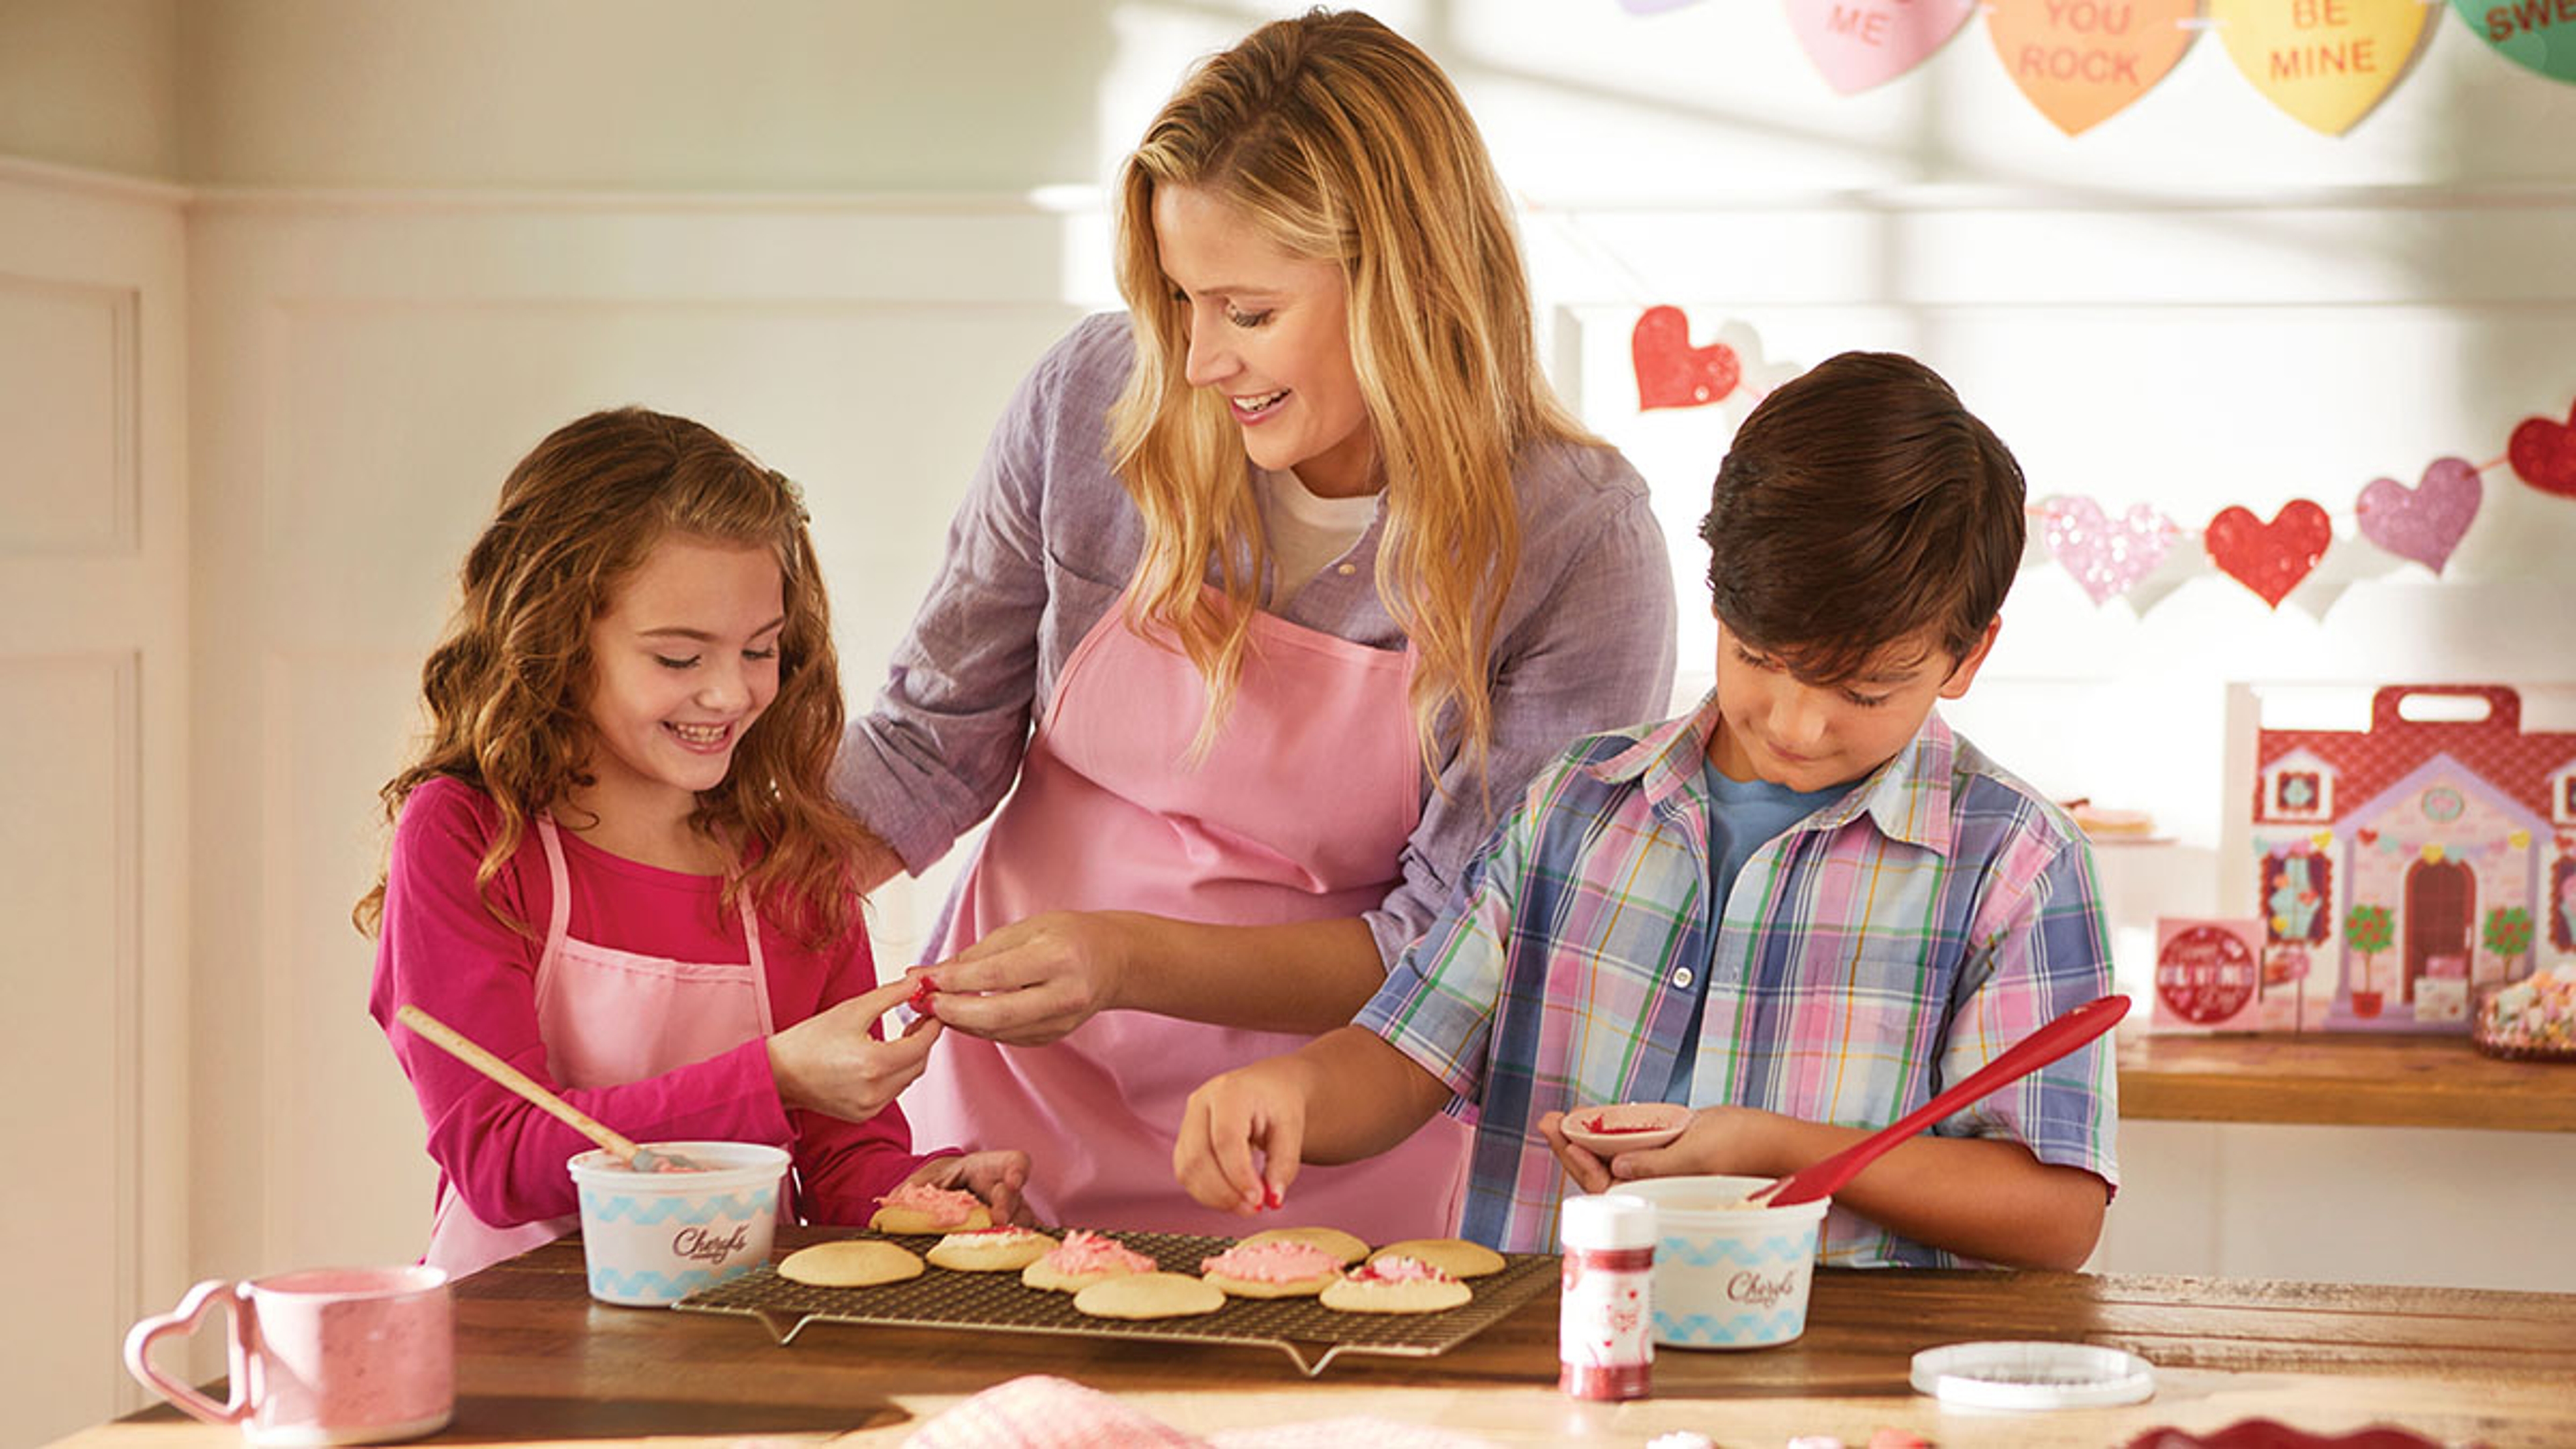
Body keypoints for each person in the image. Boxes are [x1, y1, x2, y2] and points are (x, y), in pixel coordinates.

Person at [835, 9, 1676, 1238]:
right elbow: (926, 743)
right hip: (1014, 1117)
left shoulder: (1572, 546)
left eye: (1247, 310)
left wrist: (1124, 959)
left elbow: (1452, 950)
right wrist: (681, 892)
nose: (1194, 360)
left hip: (1323, 1146)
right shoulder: (1089, 403)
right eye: (1179, 300)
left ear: (1407, 283)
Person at [1174, 352, 2118, 1269]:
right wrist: (1289, 1091)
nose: (1795, 723)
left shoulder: (2015, 864)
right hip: (1552, 1387)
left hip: (1840, 1408)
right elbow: (1406, 1056)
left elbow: (2057, 1213)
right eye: (1760, 658)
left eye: (1864, 692)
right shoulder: (1575, 807)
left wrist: (1777, 1149)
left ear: (1969, 655)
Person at [360, 408, 1028, 1279]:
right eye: (679, 659)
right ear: (558, 638)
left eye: (760, 650)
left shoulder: (795, 863)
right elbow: (497, 1158)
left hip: (744, 1329)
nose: (727, 693)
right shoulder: (471, 836)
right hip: (513, 1325)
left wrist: (923, 1189)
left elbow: (839, 1164)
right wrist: (772, 1079)